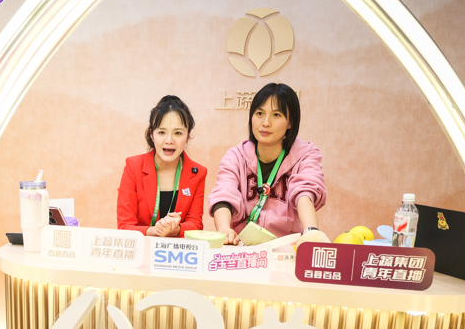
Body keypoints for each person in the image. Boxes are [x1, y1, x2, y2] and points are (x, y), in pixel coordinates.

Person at [208, 83, 326, 244]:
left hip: (286, 247)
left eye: (276, 115)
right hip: (242, 246)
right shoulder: (235, 156)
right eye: (259, 113)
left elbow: (305, 192)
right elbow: (224, 193)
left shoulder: (306, 156)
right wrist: (224, 229)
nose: (265, 122)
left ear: (290, 122)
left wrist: (311, 231)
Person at [117, 95, 206, 238]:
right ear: (152, 135)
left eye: (178, 133)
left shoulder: (198, 173)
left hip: (178, 250)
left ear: (188, 136)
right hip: (143, 248)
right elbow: (124, 226)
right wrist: (156, 230)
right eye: (161, 132)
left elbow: (196, 224)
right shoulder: (133, 167)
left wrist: (176, 229)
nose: (169, 140)